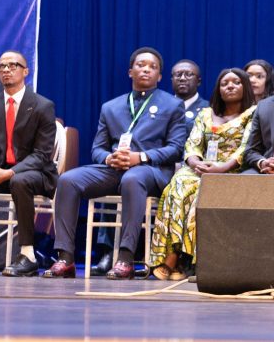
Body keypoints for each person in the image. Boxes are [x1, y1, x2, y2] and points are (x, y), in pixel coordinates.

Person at [44, 47, 187, 279]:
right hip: (115, 168)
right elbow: (97, 149)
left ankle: (125, 259)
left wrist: (140, 157)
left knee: (133, 178)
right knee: (68, 180)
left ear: (160, 76)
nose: (146, 70)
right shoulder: (110, 107)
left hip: (151, 171)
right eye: (141, 65)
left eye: (152, 67)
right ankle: (65, 258)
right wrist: (109, 158)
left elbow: (176, 148)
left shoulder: (172, 105)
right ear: (130, 72)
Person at [149, 68, 257, 280]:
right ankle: (173, 255)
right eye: (224, 83)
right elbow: (193, 143)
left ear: (245, 87)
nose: (230, 86)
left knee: (201, 193)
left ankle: (183, 259)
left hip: (231, 171)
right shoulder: (206, 113)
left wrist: (221, 168)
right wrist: (195, 162)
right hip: (199, 167)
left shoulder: (253, 113)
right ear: (218, 89)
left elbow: (247, 147)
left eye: (236, 82)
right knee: (178, 186)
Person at [0, 51, 58, 277]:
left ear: (26, 71)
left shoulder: (42, 106)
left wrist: (9, 173)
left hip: (37, 174)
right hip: (2, 171)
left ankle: (28, 255)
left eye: (13, 65)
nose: (6, 70)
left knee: (19, 181)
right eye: (1, 66)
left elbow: (42, 155)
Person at [171, 60, 208, 129]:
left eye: (189, 74)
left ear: (199, 81)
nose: (182, 78)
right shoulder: (163, 106)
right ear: (172, 80)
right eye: (178, 75)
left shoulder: (208, 109)